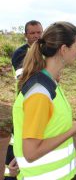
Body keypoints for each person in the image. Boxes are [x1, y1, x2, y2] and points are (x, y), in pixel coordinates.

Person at [12, 21, 76, 179]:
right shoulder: (40, 93)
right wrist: (73, 130)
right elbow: (31, 153)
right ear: (64, 49)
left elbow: (45, 128)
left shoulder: (50, 83)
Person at [4, 20, 43, 180]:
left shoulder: (44, 51)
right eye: (32, 33)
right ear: (25, 35)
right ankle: (9, 176)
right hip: (24, 108)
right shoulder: (21, 53)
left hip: (39, 106)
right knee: (17, 145)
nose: (36, 36)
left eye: (39, 32)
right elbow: (25, 79)